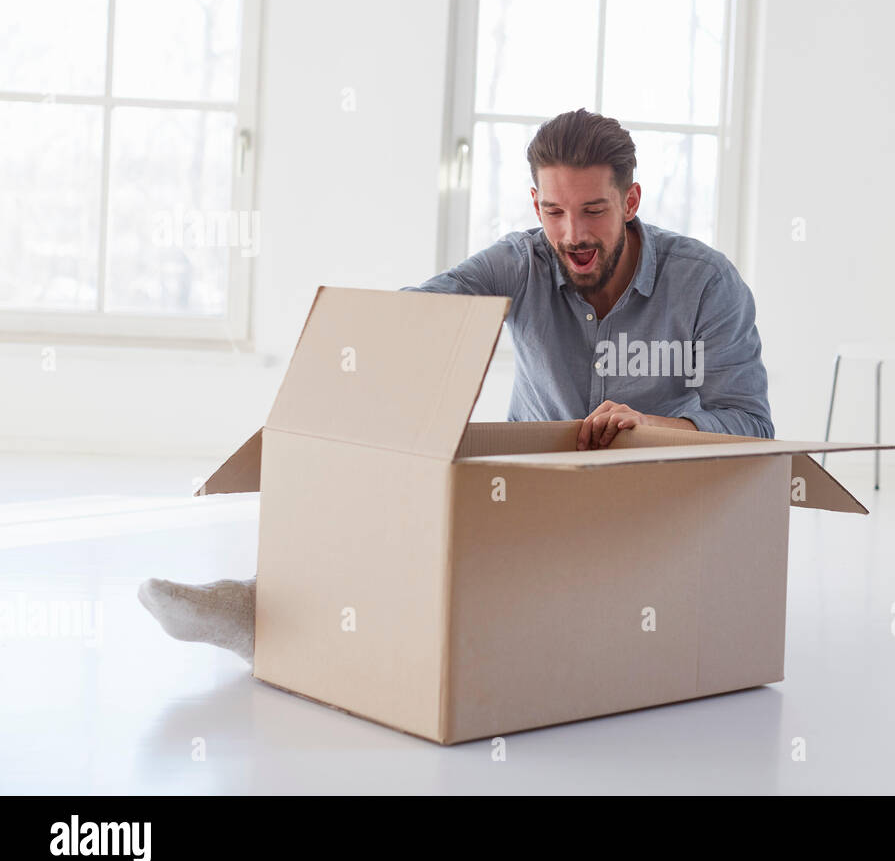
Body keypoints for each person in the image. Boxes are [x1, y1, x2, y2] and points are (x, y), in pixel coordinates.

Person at [138, 108, 773, 664]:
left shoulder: (707, 284)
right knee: (406, 477)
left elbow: (751, 425)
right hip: (531, 488)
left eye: (593, 211)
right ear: (535, 206)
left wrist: (654, 426)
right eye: (553, 212)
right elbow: (414, 318)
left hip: (652, 500)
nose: (572, 235)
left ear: (631, 202)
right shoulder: (523, 260)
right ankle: (261, 611)